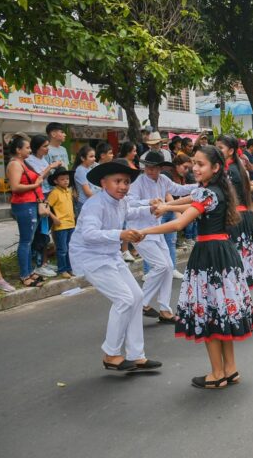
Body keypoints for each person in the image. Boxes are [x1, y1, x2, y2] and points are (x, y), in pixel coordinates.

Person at [140, 147, 253, 388]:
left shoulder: (207, 193)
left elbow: (180, 224)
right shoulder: (216, 189)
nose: (195, 167)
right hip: (223, 253)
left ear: (215, 168)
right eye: (194, 163)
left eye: (201, 164)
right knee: (221, 311)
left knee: (210, 314)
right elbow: (191, 200)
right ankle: (230, 369)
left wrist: (143, 231)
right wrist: (167, 207)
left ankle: (216, 374)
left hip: (209, 256)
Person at [69, 159, 162, 372]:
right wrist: (121, 234)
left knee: (137, 297)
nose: (123, 186)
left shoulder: (120, 201)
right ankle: (111, 354)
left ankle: (136, 355)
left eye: (127, 182)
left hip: (110, 256)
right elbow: (89, 234)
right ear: (103, 183)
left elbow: (133, 209)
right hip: (90, 258)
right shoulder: (95, 204)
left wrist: (151, 206)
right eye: (117, 181)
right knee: (124, 299)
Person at [127, 150, 196, 324]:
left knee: (168, 267)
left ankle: (165, 309)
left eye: (155, 168)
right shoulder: (137, 181)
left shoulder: (163, 179)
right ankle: (141, 302)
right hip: (139, 231)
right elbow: (130, 202)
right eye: (148, 168)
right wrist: (148, 202)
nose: (151, 171)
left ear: (160, 168)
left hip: (156, 229)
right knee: (161, 266)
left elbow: (179, 189)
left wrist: (200, 185)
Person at [216, 135, 253, 291]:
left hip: (235, 219)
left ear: (231, 151)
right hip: (243, 218)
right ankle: (247, 309)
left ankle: (243, 309)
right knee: (240, 265)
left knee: (234, 266)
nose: (216, 151)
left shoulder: (229, 171)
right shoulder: (237, 167)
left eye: (220, 148)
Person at [7, 136, 57, 287]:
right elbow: (15, 187)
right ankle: (25, 275)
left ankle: (29, 272)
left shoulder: (24, 163)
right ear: (18, 150)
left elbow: (36, 178)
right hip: (24, 205)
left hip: (31, 204)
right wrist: (35, 185)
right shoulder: (15, 164)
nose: (30, 150)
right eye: (27, 148)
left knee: (28, 242)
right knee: (25, 241)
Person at [26, 134, 59, 278]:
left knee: (45, 231)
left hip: (48, 196)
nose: (47, 149)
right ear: (36, 148)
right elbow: (38, 178)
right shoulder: (29, 161)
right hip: (39, 198)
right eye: (45, 146)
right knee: (40, 232)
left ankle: (44, 262)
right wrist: (51, 167)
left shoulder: (44, 159)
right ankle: (38, 263)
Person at [46, 167, 76, 279]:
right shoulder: (54, 193)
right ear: (56, 181)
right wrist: (54, 218)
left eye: (67, 179)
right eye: (62, 179)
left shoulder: (69, 191)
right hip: (61, 225)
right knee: (62, 249)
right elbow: (46, 206)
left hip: (71, 224)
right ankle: (62, 269)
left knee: (70, 248)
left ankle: (69, 268)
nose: (66, 181)